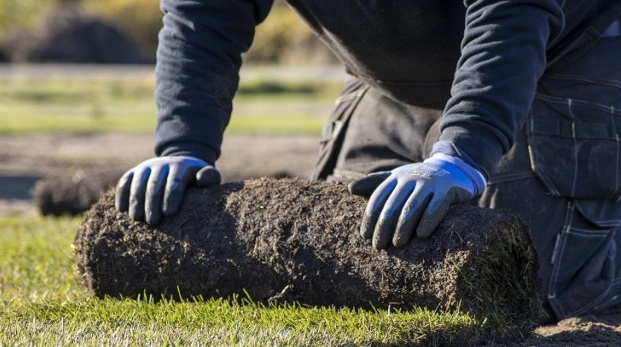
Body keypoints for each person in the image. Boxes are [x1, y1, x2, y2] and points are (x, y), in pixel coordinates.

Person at [115, 0, 621, 320]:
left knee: (538, 281)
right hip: (387, 79)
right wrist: (183, 145)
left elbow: (511, 13)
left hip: (561, 51)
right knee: (341, 262)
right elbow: (203, 14)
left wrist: (463, 151)